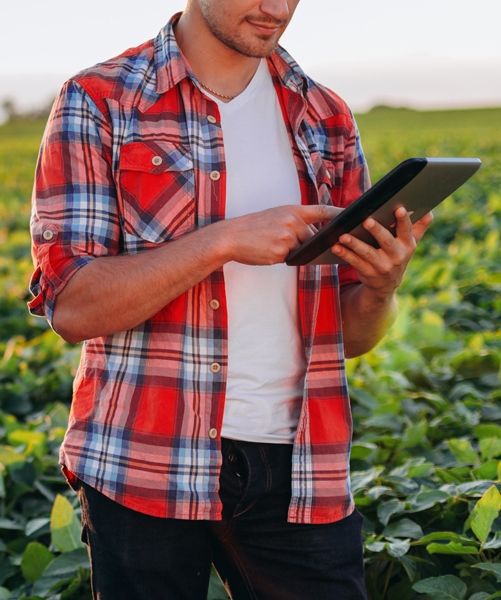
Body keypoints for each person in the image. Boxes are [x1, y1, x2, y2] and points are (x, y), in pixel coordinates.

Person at [28, 1, 433, 598]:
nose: (277, 8)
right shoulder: (100, 100)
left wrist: (381, 286)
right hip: (144, 460)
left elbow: (351, 339)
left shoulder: (327, 118)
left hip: (300, 470)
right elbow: (73, 308)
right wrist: (224, 241)